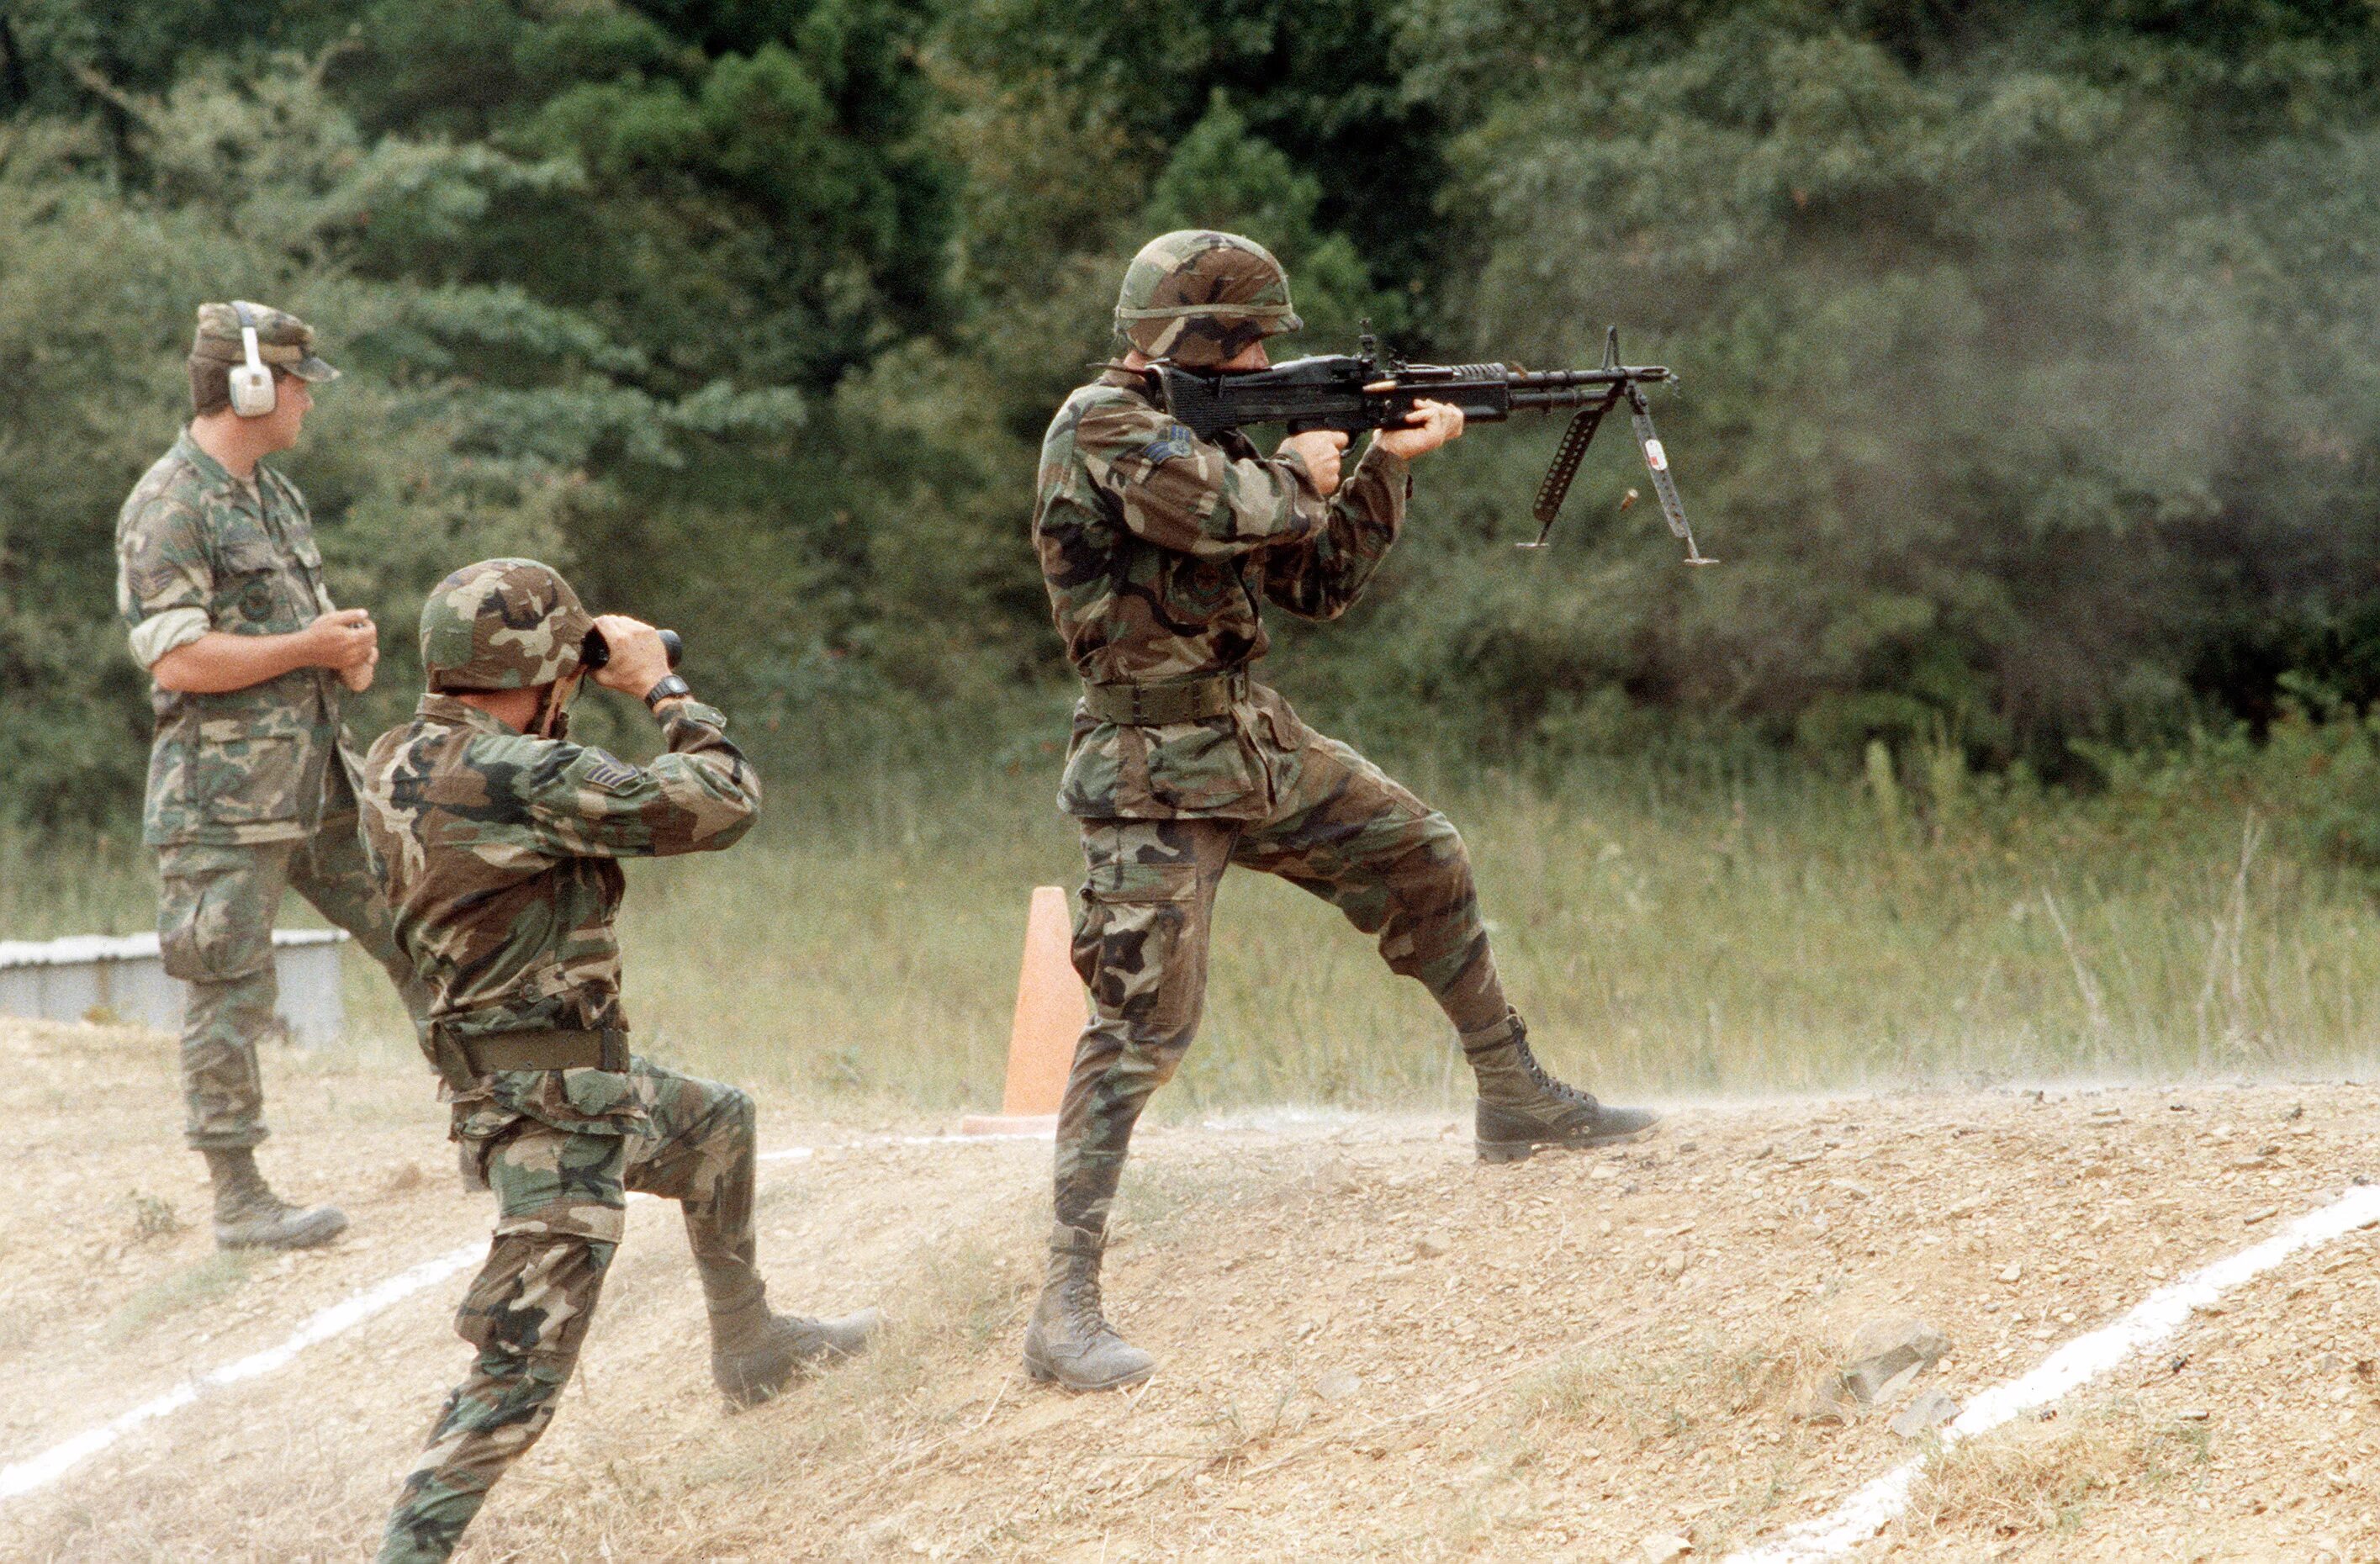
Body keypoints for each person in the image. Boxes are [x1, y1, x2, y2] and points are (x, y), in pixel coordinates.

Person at [1022, 230, 1658, 1392]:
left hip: (1241, 736)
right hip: (1145, 764)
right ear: (1191, 338)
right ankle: (1063, 1304)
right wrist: (1302, 470)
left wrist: (1387, 463)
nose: (1269, 356)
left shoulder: (1218, 436)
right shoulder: (1102, 424)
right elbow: (1217, 512)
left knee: (1419, 854)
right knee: (1142, 1023)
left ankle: (1512, 1097)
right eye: (1252, 337)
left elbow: (1316, 586)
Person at [357, 558, 877, 1564]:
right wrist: (658, 687)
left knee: (714, 1125)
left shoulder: (396, 757)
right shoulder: (519, 775)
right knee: (516, 1385)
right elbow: (722, 802)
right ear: (543, 671)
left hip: (534, 1083)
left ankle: (750, 1347)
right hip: (558, 1118)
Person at [114, 299, 432, 1250]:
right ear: (252, 385)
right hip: (223, 803)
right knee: (230, 987)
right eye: (299, 383)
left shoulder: (271, 495)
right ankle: (238, 1196)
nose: (307, 403)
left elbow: (306, 639)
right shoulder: (169, 505)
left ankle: (497, 1124)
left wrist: (345, 653)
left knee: (423, 927)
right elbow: (176, 662)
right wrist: (306, 646)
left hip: (318, 781)